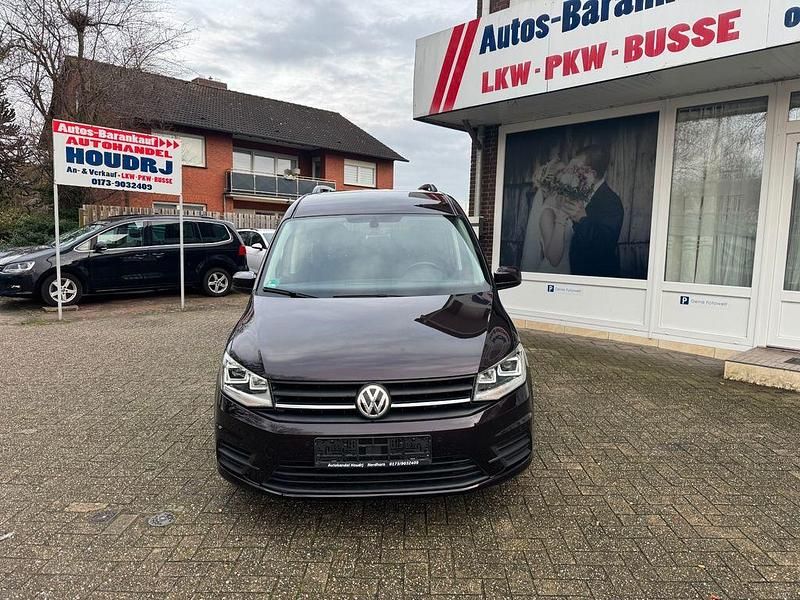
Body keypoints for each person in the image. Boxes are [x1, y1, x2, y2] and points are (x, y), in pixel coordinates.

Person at [562, 145, 624, 278]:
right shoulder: (579, 193)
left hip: (595, 276)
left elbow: (604, 246)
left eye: (578, 169)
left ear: (591, 174)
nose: (574, 173)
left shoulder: (611, 202)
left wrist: (582, 220)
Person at [520, 163, 573, 274]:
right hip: (554, 273)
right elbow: (553, 259)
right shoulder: (547, 213)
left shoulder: (561, 206)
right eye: (563, 172)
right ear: (555, 183)